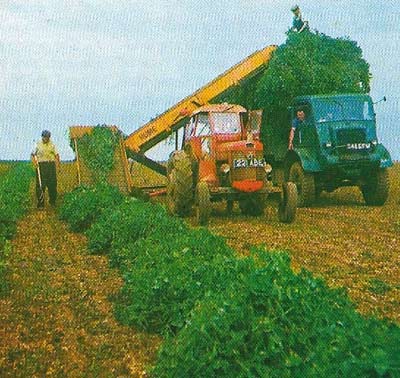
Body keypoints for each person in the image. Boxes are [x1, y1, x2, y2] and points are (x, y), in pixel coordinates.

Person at [31, 130, 60, 208]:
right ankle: (41, 203)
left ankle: (52, 201)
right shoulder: (38, 144)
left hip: (50, 165)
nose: (45, 139)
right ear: (42, 137)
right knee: (40, 185)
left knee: (52, 184)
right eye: (44, 137)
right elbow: (33, 155)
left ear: (49, 137)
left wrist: (58, 165)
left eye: (47, 138)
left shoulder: (52, 144)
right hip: (41, 166)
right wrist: (35, 163)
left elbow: (57, 155)